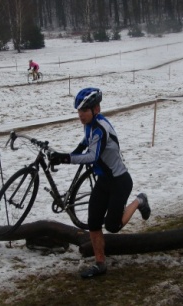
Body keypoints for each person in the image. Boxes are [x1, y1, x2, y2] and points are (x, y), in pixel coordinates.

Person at [49, 87, 151, 279]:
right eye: (78, 111)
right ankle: (100, 264)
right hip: (104, 181)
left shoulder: (101, 128)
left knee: (113, 226)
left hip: (119, 182)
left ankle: (139, 200)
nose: (80, 115)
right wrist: (68, 153)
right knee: (94, 223)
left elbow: (91, 156)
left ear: (96, 108)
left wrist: (65, 158)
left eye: (84, 111)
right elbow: (85, 143)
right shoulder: (91, 124)